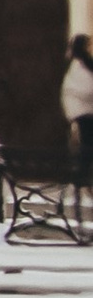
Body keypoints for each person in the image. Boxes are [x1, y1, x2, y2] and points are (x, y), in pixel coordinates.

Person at [65, 32, 93, 186]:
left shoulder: (85, 63)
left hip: (87, 112)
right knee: (87, 146)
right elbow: (83, 89)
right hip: (85, 113)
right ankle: (81, 177)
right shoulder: (78, 65)